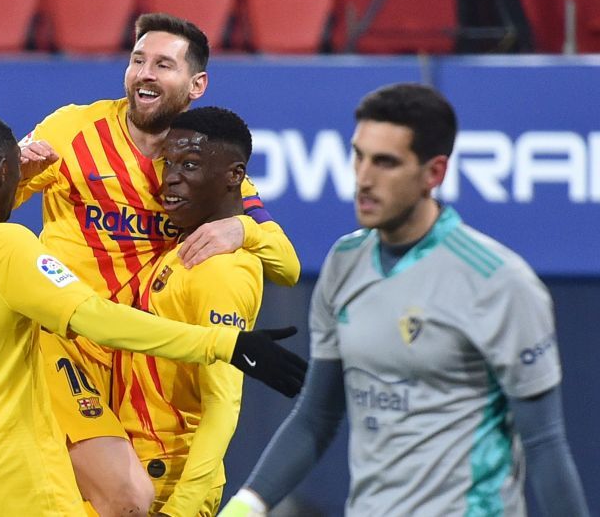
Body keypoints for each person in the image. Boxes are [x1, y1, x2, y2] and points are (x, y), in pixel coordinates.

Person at [0, 111, 306, 515]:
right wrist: (227, 343)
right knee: (132, 499)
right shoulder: (10, 249)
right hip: (16, 482)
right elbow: (96, 317)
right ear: (5, 170)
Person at [221, 83, 590, 517]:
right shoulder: (343, 264)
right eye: (358, 155)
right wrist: (248, 504)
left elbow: (544, 445)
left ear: (433, 173)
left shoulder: (501, 283)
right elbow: (316, 416)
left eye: (386, 163)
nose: (363, 177)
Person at [16, 12, 301, 515]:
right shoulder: (71, 131)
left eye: (163, 64)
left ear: (196, 84)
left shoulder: (199, 164)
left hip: (144, 359)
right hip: (69, 346)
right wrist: (16, 172)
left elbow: (289, 264)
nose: (145, 72)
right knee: (126, 499)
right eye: (137, 60)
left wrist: (242, 229)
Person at [113, 106, 262, 516]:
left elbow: (224, 402)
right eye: (169, 163)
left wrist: (180, 509)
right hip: (131, 470)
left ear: (235, 176)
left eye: (190, 164)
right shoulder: (183, 247)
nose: (171, 177)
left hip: (166, 484)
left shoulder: (223, 270)